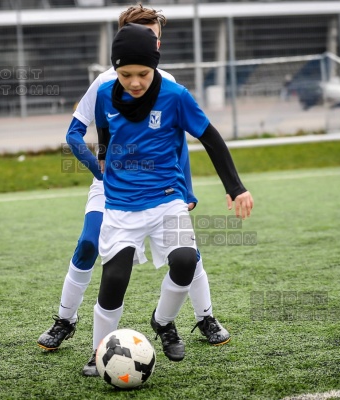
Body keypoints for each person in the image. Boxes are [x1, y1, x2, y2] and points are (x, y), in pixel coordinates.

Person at [37, 4, 230, 371]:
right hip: (111, 185)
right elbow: (77, 134)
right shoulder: (104, 84)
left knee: (187, 254)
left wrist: (186, 190)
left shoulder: (169, 85)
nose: (154, 38)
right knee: (90, 245)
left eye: (157, 34)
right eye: (147, 31)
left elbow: (180, 144)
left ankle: (203, 317)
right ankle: (66, 320)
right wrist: (100, 169)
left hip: (162, 187)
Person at [86, 23, 254, 374]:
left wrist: (235, 187)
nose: (134, 82)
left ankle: (163, 321)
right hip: (120, 205)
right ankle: (100, 351)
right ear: (114, 69)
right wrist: (104, 156)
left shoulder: (176, 96)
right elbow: (104, 128)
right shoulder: (104, 94)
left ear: (156, 65)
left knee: (185, 260)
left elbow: (212, 138)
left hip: (167, 199)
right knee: (114, 279)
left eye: (143, 74)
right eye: (125, 73)